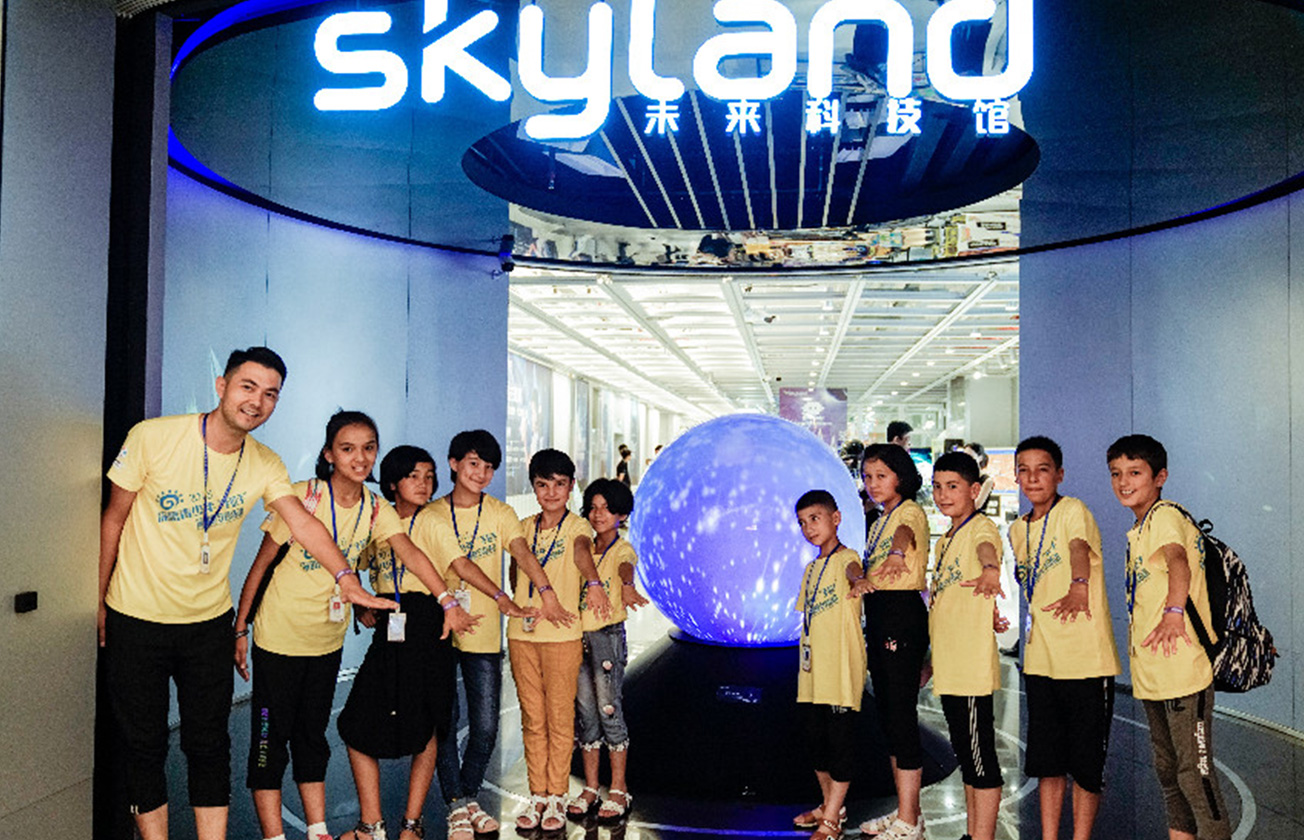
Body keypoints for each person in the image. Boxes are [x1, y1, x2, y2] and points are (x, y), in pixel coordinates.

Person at [98, 347, 395, 840]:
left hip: (208, 622)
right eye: (248, 386)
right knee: (144, 745)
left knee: (209, 744)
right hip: (137, 617)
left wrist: (346, 577)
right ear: (222, 386)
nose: (257, 401)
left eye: (271, 393)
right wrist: (100, 602)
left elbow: (302, 522)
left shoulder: (264, 462)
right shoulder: (152, 437)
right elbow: (114, 519)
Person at [233, 413, 477, 840]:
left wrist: (446, 599)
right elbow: (261, 564)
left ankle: (318, 831)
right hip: (278, 639)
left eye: (368, 448)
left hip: (326, 641)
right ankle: (274, 836)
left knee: (312, 739)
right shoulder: (302, 497)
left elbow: (409, 551)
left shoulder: (375, 508)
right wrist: (240, 628)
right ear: (329, 454)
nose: (360, 458)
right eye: (347, 449)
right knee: (269, 744)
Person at [333, 445, 530, 840]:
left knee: (431, 725)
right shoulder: (379, 519)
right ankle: (374, 824)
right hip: (390, 623)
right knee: (357, 722)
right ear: (392, 483)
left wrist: (499, 596)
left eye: (428, 476)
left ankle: (414, 823)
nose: (423, 484)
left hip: (428, 622)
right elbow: (356, 561)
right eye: (413, 476)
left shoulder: (433, 522)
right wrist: (360, 606)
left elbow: (461, 565)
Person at [432, 430, 577, 839]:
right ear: (454, 463)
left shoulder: (500, 513)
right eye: (473, 463)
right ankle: (457, 805)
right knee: (444, 723)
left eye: (489, 467)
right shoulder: (432, 514)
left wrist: (545, 592)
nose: (481, 473)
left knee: (485, 728)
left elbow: (521, 553)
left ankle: (468, 796)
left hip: (483, 633)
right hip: (438, 629)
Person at [1107, 435, 1229, 840]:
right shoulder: (1140, 527)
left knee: (1195, 775)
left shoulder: (1164, 516)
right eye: (1116, 474)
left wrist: (1174, 611)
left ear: (1160, 477)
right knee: (1168, 771)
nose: (1124, 482)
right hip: (1156, 676)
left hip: (1183, 672)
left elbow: (1178, 562)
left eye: (1135, 473)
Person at [1010, 436, 1120, 840]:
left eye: (1042, 469)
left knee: (1086, 768)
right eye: (1024, 470)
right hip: (1041, 661)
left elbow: (1077, 548)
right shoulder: (1017, 529)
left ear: (1059, 474)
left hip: (1085, 662)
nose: (1032, 478)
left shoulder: (1073, 510)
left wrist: (1078, 584)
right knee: (1048, 764)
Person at [508, 450, 611, 831]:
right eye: (542, 484)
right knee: (532, 717)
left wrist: (594, 582)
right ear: (533, 488)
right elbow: (515, 571)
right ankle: (537, 795)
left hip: (563, 635)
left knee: (560, 717)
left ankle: (557, 795)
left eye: (559, 484)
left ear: (570, 488)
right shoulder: (521, 527)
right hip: (522, 634)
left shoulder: (577, 527)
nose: (551, 492)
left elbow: (582, 554)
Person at [845, 445, 930, 840]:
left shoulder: (908, 512)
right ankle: (907, 811)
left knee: (901, 718)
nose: (872, 484)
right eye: (867, 476)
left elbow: (905, 534)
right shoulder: (879, 518)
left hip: (900, 616)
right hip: (881, 617)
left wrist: (897, 553)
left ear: (901, 476)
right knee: (891, 720)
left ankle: (909, 820)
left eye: (881, 475)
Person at [928, 451, 1007, 840]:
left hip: (970, 668)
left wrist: (991, 570)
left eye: (953, 487)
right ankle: (973, 833)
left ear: (975, 490)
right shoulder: (944, 541)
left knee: (980, 759)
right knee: (966, 755)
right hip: (949, 666)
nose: (943, 495)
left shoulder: (981, 528)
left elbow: (987, 551)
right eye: (937, 487)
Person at [791, 490, 867, 840]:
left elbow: (853, 571)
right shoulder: (811, 569)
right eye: (802, 522)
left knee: (840, 746)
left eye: (815, 519)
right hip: (812, 673)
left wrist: (858, 580)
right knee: (816, 745)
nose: (809, 528)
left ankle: (832, 819)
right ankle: (830, 806)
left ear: (836, 519)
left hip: (840, 671)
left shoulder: (847, 558)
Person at [571, 478, 648, 821]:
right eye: (593, 507)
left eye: (606, 508)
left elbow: (625, 567)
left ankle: (618, 788)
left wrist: (628, 586)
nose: (598, 514)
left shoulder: (622, 549)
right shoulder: (582, 547)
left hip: (607, 639)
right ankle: (591, 787)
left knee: (609, 711)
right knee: (585, 715)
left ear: (621, 514)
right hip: (577, 639)